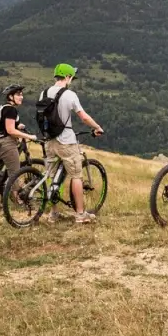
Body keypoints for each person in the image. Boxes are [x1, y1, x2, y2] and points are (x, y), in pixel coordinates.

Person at [41, 64, 104, 224]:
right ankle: (80, 214)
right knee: (76, 176)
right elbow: (83, 117)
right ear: (68, 77)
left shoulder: (44, 93)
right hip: (66, 141)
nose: (72, 81)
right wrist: (97, 127)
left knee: (52, 176)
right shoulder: (70, 94)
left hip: (49, 140)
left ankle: (53, 213)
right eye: (72, 78)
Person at [0, 85, 38, 187]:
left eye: (22, 95)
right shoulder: (11, 110)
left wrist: (18, 125)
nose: (21, 97)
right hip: (7, 144)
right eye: (18, 95)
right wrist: (29, 136)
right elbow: (10, 130)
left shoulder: (4, 108)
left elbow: (4, 125)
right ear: (11, 97)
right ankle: (17, 199)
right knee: (15, 174)